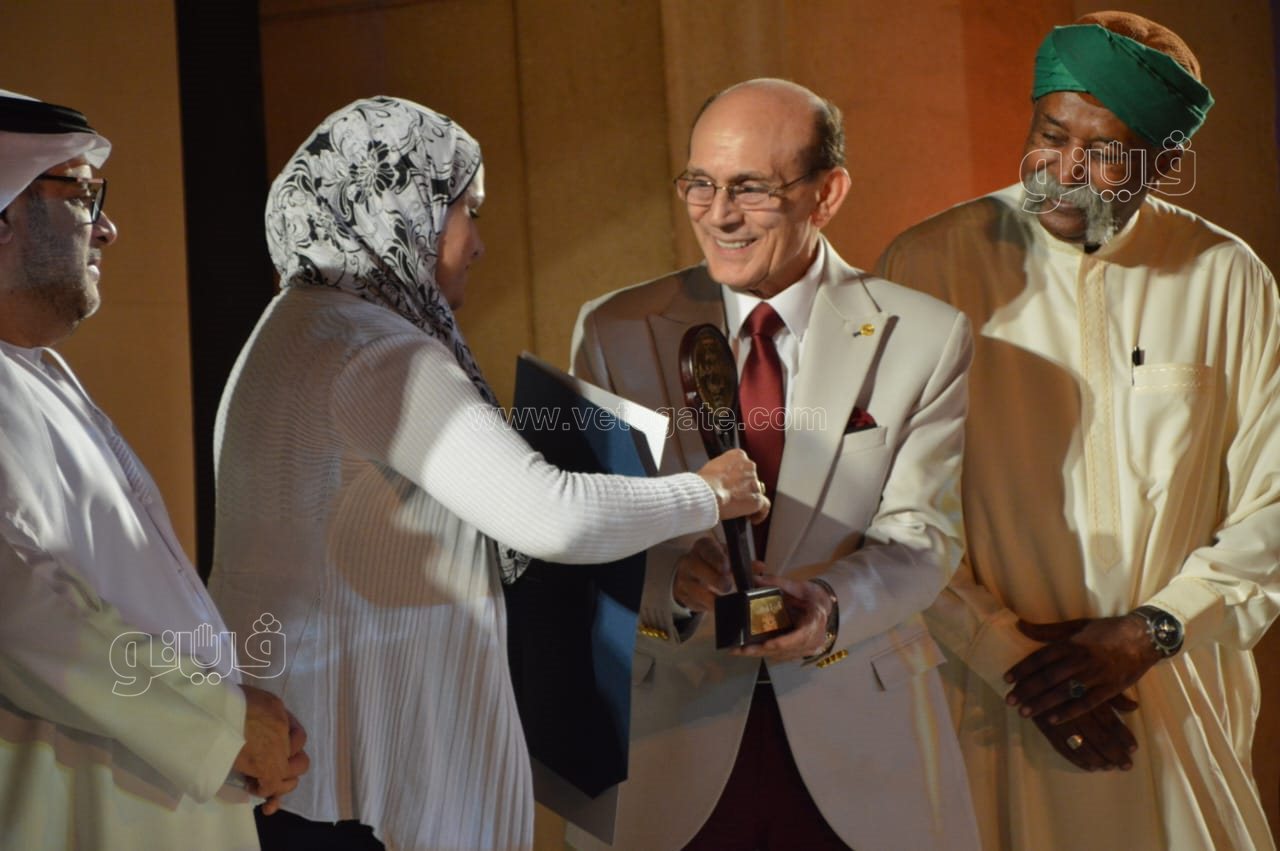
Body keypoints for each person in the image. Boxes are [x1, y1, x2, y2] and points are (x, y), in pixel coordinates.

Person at [208, 96, 768, 851]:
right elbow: (550, 514)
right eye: (466, 210)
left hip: (303, 767)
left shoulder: (293, 325)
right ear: (402, 208)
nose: (478, 243)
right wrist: (707, 492)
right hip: (363, 789)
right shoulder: (378, 351)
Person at [877, 11, 1280, 850]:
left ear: (1164, 162)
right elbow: (889, 502)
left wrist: (1150, 630)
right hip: (984, 700)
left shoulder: (1227, 278)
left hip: (1173, 697)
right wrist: (1011, 659)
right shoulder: (927, 266)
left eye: (1105, 153)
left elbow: (1272, 504)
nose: (1064, 172)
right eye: (1050, 135)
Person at [567, 78, 980, 850]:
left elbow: (924, 536)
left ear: (828, 194)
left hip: (863, 745)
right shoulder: (613, 329)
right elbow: (588, 533)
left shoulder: (926, 335)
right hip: (665, 749)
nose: (717, 214)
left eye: (751, 188)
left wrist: (828, 605)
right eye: (700, 183)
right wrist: (672, 582)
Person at [0, 90, 308, 849]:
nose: (107, 227)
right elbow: (23, 612)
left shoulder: (38, 373)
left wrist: (232, 712)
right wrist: (219, 721)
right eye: (81, 193)